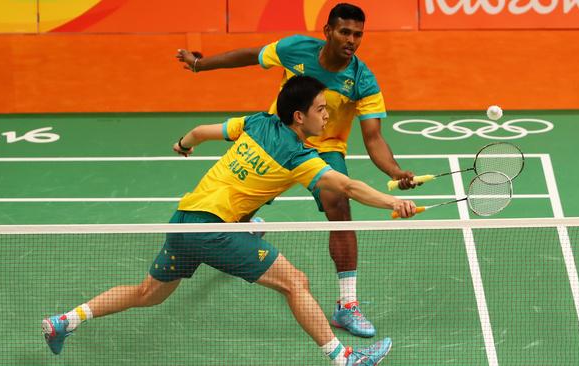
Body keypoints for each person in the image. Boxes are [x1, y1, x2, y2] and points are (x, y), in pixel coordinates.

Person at [42, 76, 416, 365]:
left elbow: (203, 132)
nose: (327, 114)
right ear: (299, 116)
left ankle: (66, 320)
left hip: (183, 219)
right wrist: (392, 203)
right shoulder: (297, 156)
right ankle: (344, 358)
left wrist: (183, 144)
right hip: (215, 230)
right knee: (295, 282)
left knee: (148, 293)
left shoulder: (257, 122)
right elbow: (347, 186)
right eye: (321, 109)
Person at [176, 3, 419, 338]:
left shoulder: (362, 80)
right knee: (241, 199)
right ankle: (243, 229)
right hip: (278, 136)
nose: (351, 40)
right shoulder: (295, 48)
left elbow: (373, 136)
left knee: (340, 208)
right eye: (345, 32)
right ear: (328, 32)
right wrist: (200, 65)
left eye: (358, 34)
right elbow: (251, 55)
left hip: (324, 149)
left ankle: (347, 305)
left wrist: (394, 171)